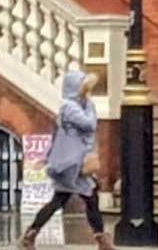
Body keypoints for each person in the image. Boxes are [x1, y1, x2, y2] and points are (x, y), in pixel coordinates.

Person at [19, 72, 113, 250]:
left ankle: (31, 234)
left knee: (75, 199)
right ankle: (101, 239)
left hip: (75, 162)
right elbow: (89, 125)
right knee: (78, 198)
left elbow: (58, 136)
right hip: (72, 164)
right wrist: (91, 107)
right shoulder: (70, 107)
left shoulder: (76, 105)